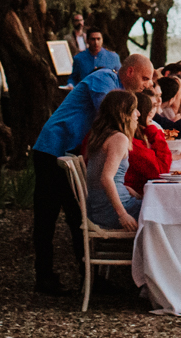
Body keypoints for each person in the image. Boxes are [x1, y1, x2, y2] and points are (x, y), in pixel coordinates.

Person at [30, 52, 153, 294]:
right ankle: (45, 276)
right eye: (145, 78)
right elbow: (110, 115)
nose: (147, 84)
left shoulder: (121, 91)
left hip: (68, 149)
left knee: (76, 215)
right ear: (130, 72)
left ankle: (91, 279)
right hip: (52, 147)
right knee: (48, 217)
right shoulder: (104, 78)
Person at [84, 91, 143, 232]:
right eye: (134, 109)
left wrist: (125, 188)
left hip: (100, 208)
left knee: (157, 204)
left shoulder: (101, 136)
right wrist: (123, 215)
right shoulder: (119, 138)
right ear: (124, 113)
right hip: (111, 211)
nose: (139, 113)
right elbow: (106, 178)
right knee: (163, 210)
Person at [126, 90, 172, 195]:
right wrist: (152, 131)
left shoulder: (132, 139)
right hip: (132, 200)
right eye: (149, 109)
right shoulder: (131, 143)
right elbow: (161, 171)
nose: (151, 113)